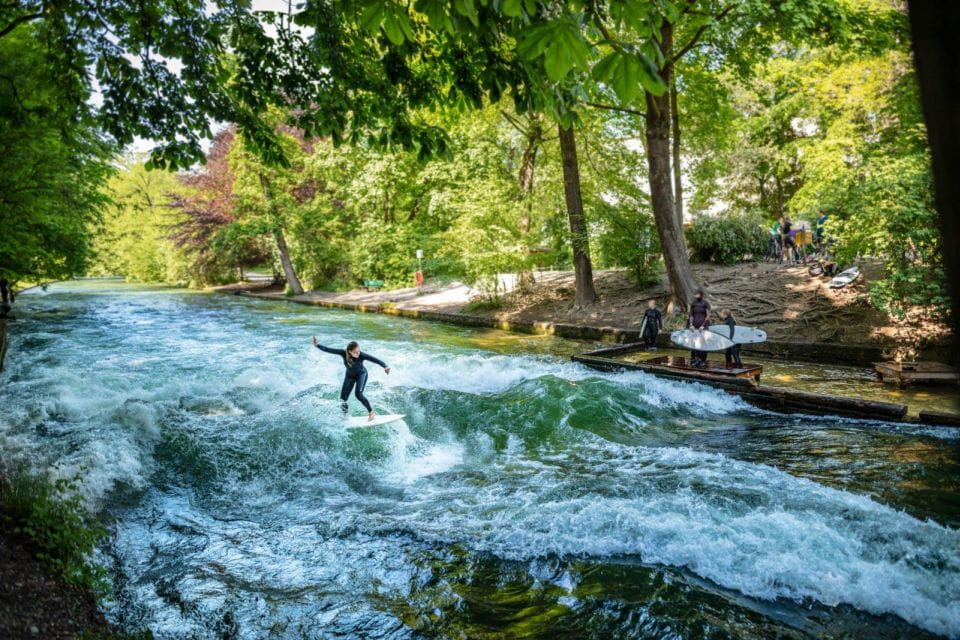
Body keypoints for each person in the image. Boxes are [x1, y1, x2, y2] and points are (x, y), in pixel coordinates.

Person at [312, 336, 390, 421]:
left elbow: (376, 360)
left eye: (359, 351)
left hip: (362, 374)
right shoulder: (343, 353)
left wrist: (385, 366)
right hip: (350, 376)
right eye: (355, 352)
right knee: (343, 399)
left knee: (358, 394)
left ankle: (371, 413)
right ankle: (344, 417)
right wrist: (317, 345)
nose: (358, 354)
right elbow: (328, 349)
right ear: (349, 351)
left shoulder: (361, 355)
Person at [687, 290, 711, 368]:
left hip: (704, 326)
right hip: (695, 327)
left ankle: (703, 361)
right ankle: (697, 359)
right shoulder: (693, 303)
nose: (695, 295)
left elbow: (708, 315)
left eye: (697, 294)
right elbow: (691, 315)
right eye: (695, 294)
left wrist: (703, 325)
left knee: (703, 344)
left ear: (701, 294)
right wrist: (691, 325)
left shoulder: (705, 303)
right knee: (696, 343)